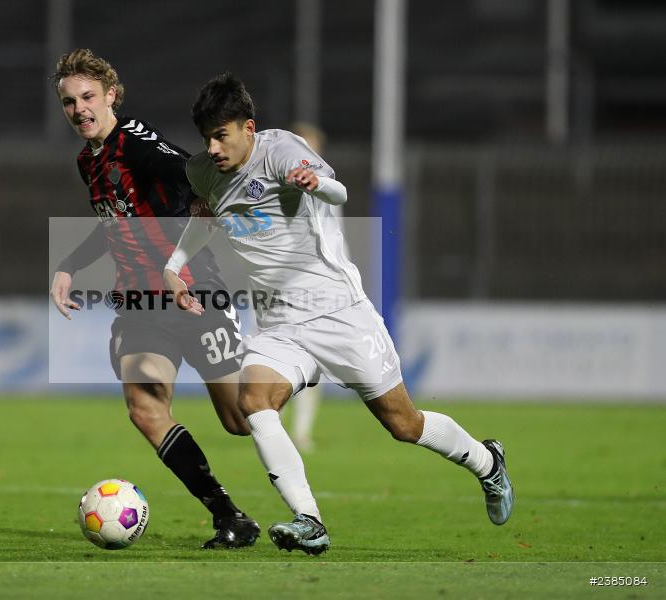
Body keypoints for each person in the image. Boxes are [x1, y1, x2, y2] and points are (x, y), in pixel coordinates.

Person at [163, 73, 514, 555]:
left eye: (221, 135)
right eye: (206, 137)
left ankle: (486, 462)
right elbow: (204, 218)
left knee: (403, 424)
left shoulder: (281, 151)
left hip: (337, 312)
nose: (213, 147)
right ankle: (309, 520)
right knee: (254, 402)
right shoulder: (203, 170)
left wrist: (317, 183)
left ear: (248, 127)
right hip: (279, 323)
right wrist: (174, 266)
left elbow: (339, 192)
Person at [48, 51, 259, 549]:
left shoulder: (135, 143)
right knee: (144, 407)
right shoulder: (89, 161)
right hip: (142, 305)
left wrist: (212, 205)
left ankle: (293, 366)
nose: (79, 109)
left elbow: (192, 172)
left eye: (88, 97)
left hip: (195, 292)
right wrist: (69, 266)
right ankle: (229, 515)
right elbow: (115, 224)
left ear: (111, 96)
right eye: (69, 102)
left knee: (240, 420)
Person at [287, 122, 328, 454]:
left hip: (318, 288)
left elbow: (335, 242)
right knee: (272, 358)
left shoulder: (326, 189)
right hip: (280, 286)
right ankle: (266, 420)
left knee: (314, 362)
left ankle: (301, 433)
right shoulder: (273, 185)